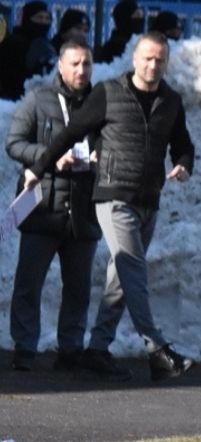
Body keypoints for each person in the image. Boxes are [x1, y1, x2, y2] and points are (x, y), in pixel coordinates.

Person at [24, 32, 196, 383]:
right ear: (134, 59)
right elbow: (70, 134)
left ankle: (98, 348)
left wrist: (184, 163)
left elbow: (183, 144)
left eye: (160, 59)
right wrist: (38, 169)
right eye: (147, 58)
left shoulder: (172, 102)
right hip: (113, 198)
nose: (153, 65)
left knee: (121, 280)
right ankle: (157, 349)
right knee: (134, 269)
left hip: (149, 200)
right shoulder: (108, 93)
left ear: (166, 62)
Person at [6, 40, 101, 373]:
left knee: (78, 289)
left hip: (84, 210)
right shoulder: (39, 100)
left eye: (86, 64)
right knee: (29, 283)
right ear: (60, 66)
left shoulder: (100, 103)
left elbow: (115, 146)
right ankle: (24, 348)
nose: (81, 70)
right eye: (74, 64)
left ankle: (71, 349)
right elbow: (14, 144)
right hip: (43, 207)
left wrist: (99, 160)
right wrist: (48, 158)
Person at [0, 1, 57, 101]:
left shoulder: (47, 44)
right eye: (39, 17)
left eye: (47, 18)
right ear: (27, 18)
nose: (43, 22)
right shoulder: (13, 43)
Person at [94, 0, 144, 65]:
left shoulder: (141, 42)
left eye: (141, 17)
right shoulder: (114, 47)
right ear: (125, 18)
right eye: (136, 16)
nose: (140, 20)